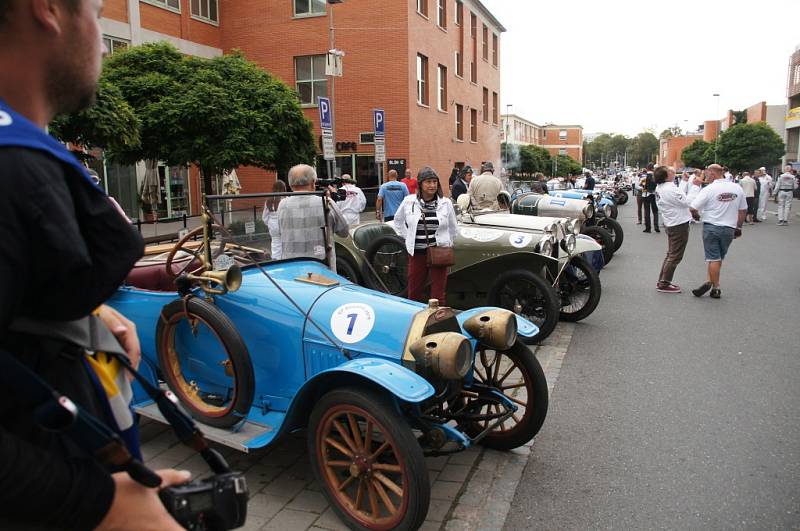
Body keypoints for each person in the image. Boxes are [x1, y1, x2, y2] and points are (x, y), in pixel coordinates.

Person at [0, 1, 190, 528]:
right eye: (98, 13)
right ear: (48, 10)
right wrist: (103, 506)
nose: (102, 42)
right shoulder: (13, 172)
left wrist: (79, 319)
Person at [394, 167, 457, 304]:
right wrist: (407, 238)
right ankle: (414, 320)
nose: (432, 185)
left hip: (439, 253)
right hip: (417, 253)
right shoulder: (409, 201)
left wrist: (446, 244)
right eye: (428, 182)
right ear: (421, 184)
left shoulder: (445, 203)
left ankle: (437, 322)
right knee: (414, 292)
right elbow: (398, 221)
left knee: (438, 296)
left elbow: (453, 228)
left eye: (435, 182)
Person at [689, 164, 748, 299]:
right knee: (718, 257)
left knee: (713, 257)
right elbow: (743, 210)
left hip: (712, 227)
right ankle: (710, 281)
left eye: (707, 174)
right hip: (729, 228)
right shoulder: (737, 188)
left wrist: (697, 216)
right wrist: (738, 227)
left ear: (713, 174)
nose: (706, 177)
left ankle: (716, 287)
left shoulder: (709, 189)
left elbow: (693, 207)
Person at [275, 164, 349, 270]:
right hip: (322, 269)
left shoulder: (282, 205)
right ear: (313, 182)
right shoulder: (326, 203)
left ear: (290, 185)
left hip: (291, 267)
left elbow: (278, 233)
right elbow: (344, 232)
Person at [653, 166, 692, 293]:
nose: (673, 172)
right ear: (666, 176)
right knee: (675, 255)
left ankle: (663, 280)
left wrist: (685, 182)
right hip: (678, 223)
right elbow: (686, 201)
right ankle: (664, 283)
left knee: (670, 254)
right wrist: (695, 187)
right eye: (670, 171)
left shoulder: (662, 187)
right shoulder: (669, 188)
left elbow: (678, 194)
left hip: (671, 222)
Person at [262, 179, 287, 260]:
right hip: (283, 224)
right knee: (285, 244)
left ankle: (275, 260)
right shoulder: (285, 200)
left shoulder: (268, 200)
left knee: (275, 244)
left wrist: (269, 224)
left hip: (273, 225)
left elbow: (264, 217)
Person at [642, 164, 660, 233]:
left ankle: (648, 228)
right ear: (653, 168)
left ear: (647, 168)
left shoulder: (644, 176)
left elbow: (642, 186)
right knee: (655, 210)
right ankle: (656, 227)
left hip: (646, 195)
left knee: (647, 211)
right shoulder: (655, 176)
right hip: (654, 194)